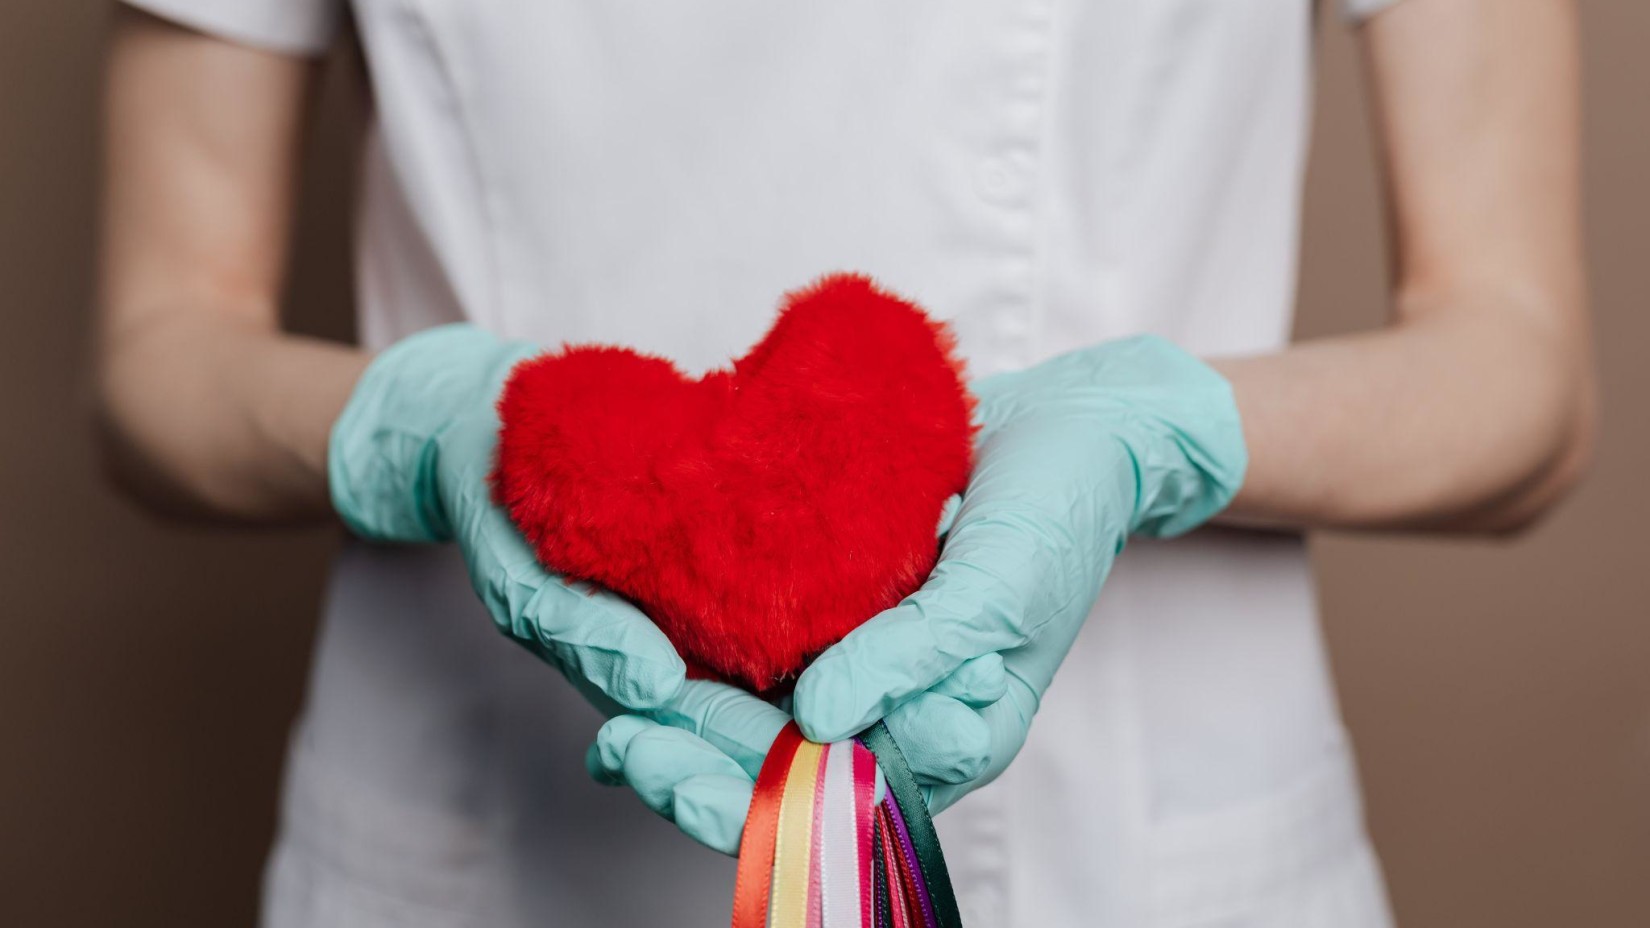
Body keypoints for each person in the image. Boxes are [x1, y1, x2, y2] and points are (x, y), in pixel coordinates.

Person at [94, 0, 1595, 925]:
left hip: (1133, 857)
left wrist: (1153, 434)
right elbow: (161, 350)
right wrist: (422, 432)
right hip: (469, 844)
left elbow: (1517, 371)